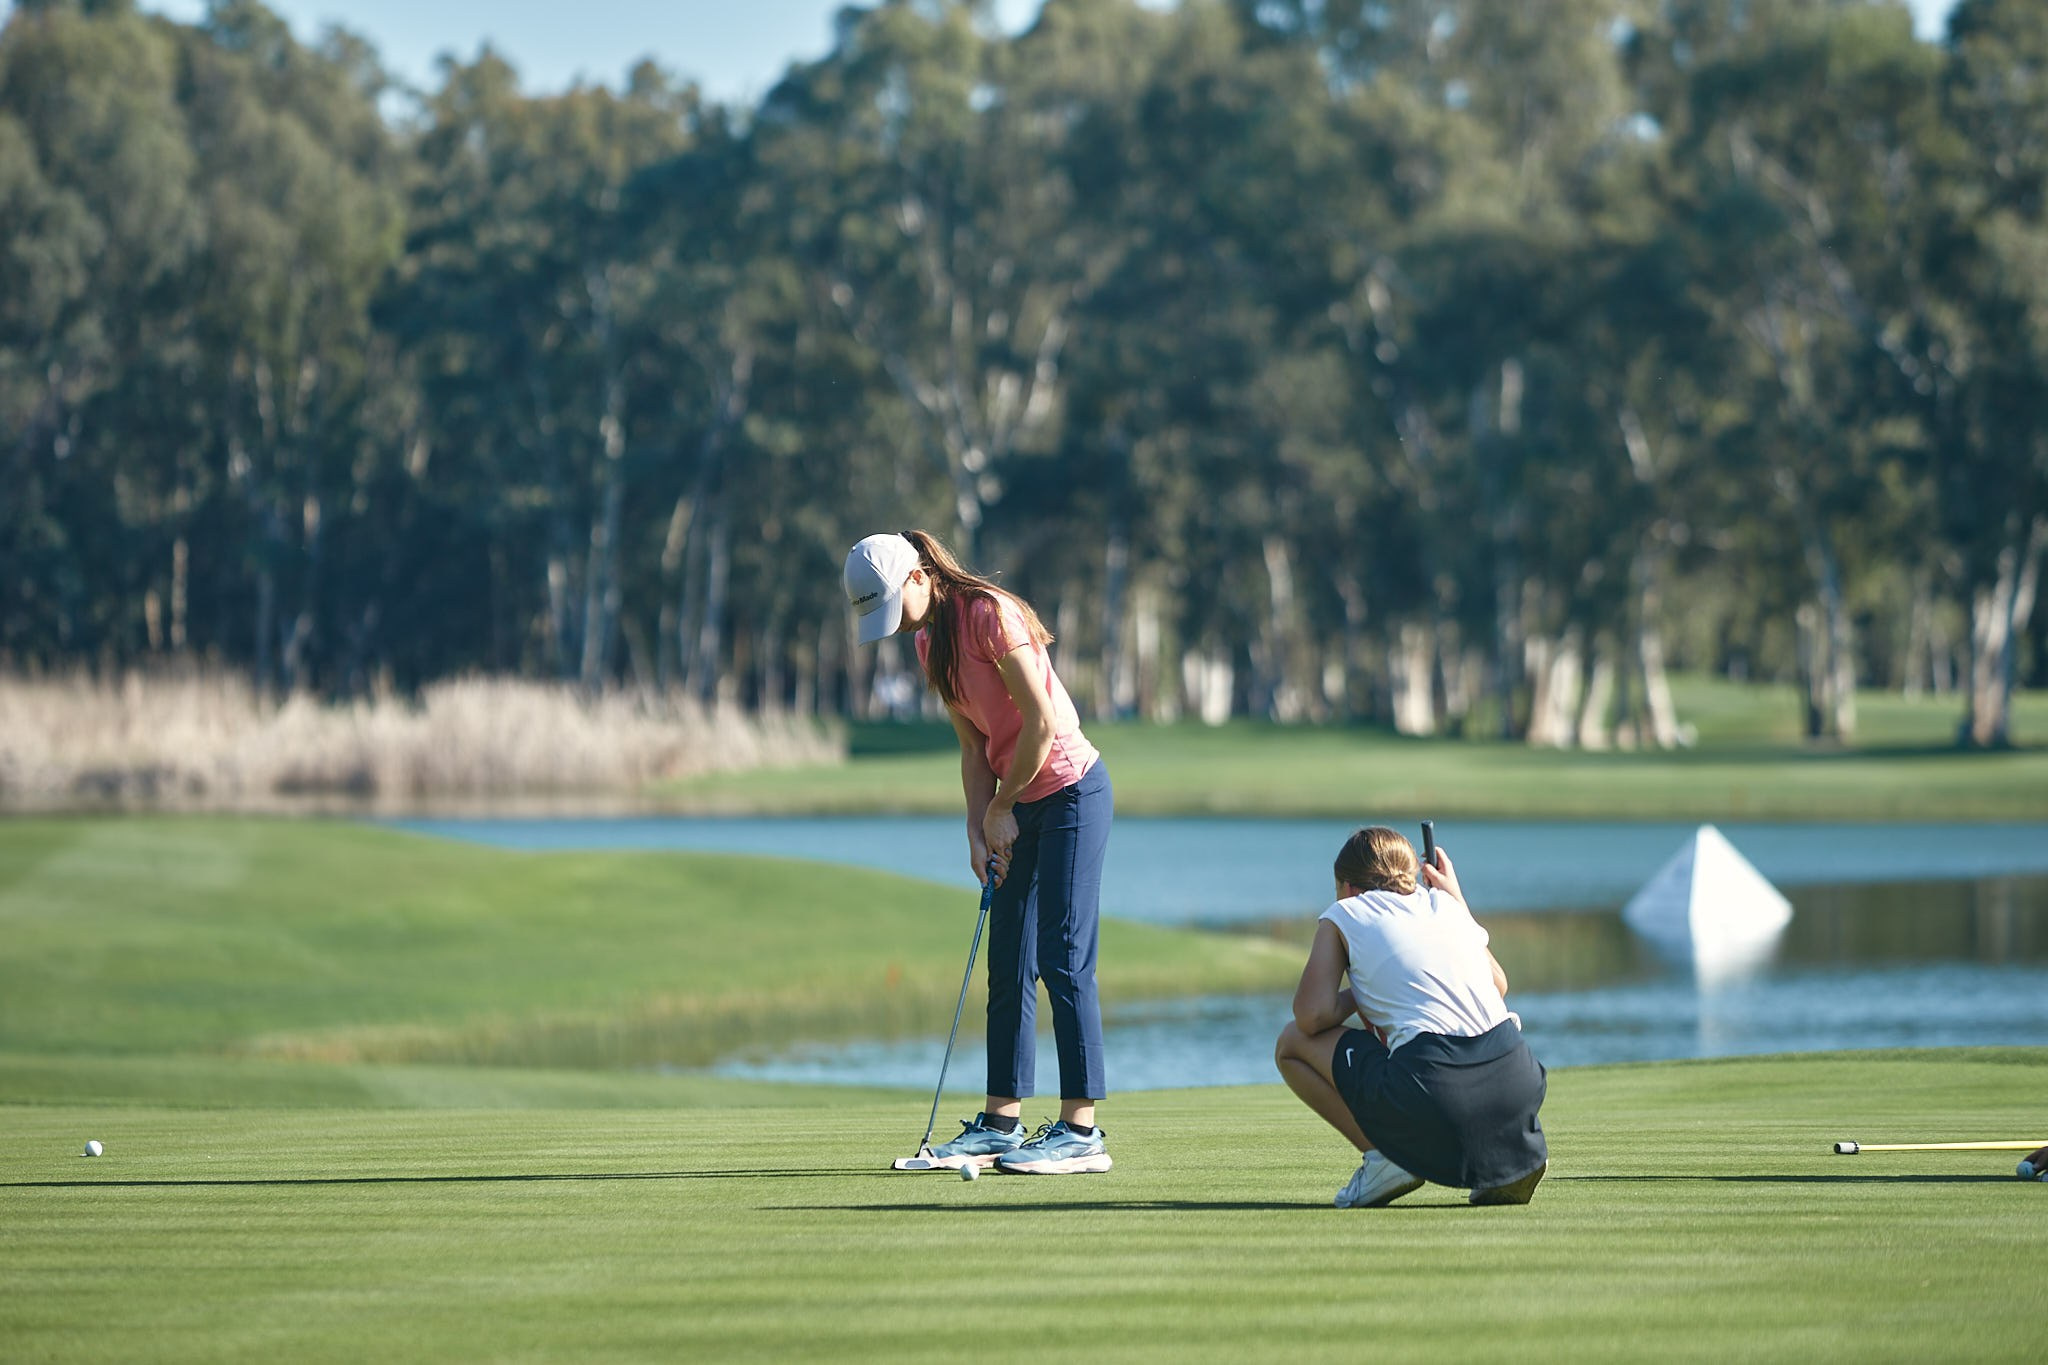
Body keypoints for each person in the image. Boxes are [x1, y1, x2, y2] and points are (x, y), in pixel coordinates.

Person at [843, 530, 1113, 1175]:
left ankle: (1082, 1133)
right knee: (1009, 961)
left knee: (1063, 958)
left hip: (1071, 792)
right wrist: (976, 827)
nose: (897, 624)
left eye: (895, 606)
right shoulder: (928, 642)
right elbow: (973, 747)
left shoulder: (990, 615)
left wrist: (1001, 808)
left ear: (918, 577)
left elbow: (1042, 723)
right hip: (1014, 806)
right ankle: (1000, 1125)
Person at [1274, 826, 1548, 1208]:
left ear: (1348, 887)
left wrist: (1358, 993)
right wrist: (1454, 897)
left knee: (1291, 1044)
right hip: (1518, 1076)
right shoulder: (1447, 905)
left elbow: (1311, 1015)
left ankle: (1384, 1158)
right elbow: (1498, 983)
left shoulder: (1345, 911)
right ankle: (1511, 1160)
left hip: (1432, 1084)